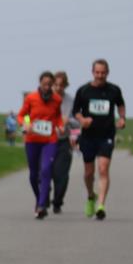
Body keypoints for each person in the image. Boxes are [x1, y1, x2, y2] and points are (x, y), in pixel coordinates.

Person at [72, 59, 126, 220]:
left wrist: (122, 118)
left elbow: (120, 105)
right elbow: (76, 111)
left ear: (107, 73)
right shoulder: (83, 91)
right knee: (89, 173)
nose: (100, 75)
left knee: (103, 168)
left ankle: (101, 205)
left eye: (103, 72)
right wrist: (82, 120)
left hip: (106, 135)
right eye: (97, 72)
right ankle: (90, 196)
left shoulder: (114, 90)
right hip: (88, 136)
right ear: (92, 72)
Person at [17, 72, 64, 219]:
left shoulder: (56, 99)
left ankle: (42, 205)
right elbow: (23, 114)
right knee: (33, 175)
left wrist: (61, 126)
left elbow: (57, 116)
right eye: (45, 84)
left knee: (46, 169)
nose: (47, 87)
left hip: (50, 140)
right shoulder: (31, 98)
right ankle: (39, 199)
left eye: (50, 84)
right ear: (40, 83)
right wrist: (26, 123)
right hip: (32, 139)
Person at [50, 71, 80, 214]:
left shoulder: (71, 101)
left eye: (61, 85)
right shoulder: (41, 98)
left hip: (63, 141)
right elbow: (25, 115)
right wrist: (27, 125)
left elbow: (78, 122)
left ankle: (57, 202)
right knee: (43, 173)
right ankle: (42, 199)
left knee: (61, 174)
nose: (58, 88)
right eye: (55, 85)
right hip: (44, 142)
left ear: (66, 86)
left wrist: (69, 121)